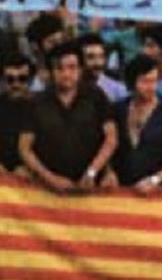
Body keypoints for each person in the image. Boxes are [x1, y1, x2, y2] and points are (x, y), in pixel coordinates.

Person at [19, 41, 117, 194]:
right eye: (59, 68)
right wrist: (50, 178)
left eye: (72, 67)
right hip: (46, 189)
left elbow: (111, 138)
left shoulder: (96, 96)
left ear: (81, 69)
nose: (66, 74)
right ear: (50, 72)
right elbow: (24, 148)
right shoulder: (35, 102)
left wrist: (93, 171)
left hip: (92, 184)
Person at [113, 54, 162, 191]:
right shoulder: (118, 109)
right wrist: (108, 173)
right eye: (144, 82)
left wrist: (156, 179)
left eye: (154, 81)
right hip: (121, 188)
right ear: (131, 82)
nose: (151, 87)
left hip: (158, 190)